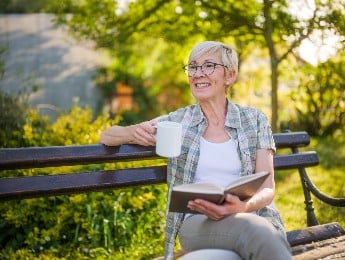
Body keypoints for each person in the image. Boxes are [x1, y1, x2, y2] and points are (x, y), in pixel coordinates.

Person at [99, 41, 292, 260]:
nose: (198, 73)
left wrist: (242, 206)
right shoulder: (178, 122)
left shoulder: (255, 120)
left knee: (258, 231)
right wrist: (132, 132)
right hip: (196, 222)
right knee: (260, 232)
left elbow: (267, 189)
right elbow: (106, 136)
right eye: (193, 67)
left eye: (208, 65)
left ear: (229, 76)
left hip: (249, 213)